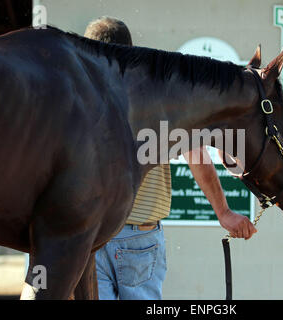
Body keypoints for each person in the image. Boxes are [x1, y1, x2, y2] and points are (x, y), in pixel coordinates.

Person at [84, 16, 256, 300]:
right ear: (129, 50)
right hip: (138, 235)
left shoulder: (76, 96)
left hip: (88, 233)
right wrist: (223, 212)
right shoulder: (155, 96)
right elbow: (195, 153)